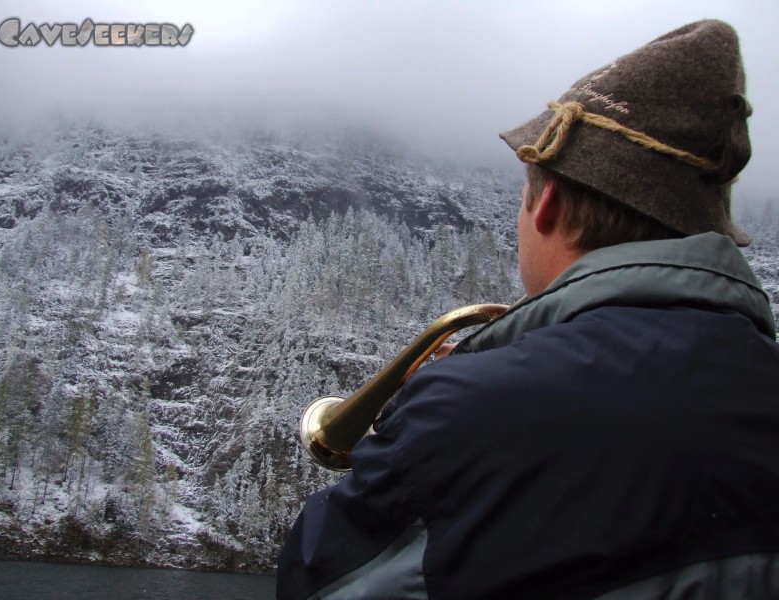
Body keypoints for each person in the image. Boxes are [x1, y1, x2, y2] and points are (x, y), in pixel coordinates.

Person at [277, 20, 779, 599]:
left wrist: (413, 426)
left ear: (548, 206)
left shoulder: (465, 414)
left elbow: (320, 583)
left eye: (522, 197)